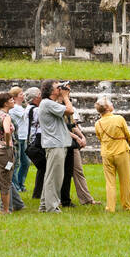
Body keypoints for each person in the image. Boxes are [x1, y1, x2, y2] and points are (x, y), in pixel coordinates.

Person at [37, 79, 74, 213]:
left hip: (56, 143)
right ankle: (52, 207)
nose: (60, 88)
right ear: (50, 91)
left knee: (50, 176)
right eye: (57, 87)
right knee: (55, 178)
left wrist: (65, 95)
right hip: (55, 144)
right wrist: (65, 96)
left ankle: (44, 206)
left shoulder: (49, 104)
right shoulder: (47, 103)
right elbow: (70, 110)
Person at [94, 96, 130, 212]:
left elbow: (99, 137)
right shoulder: (119, 118)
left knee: (110, 182)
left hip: (106, 153)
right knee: (125, 180)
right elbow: (128, 135)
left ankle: (110, 207)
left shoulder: (98, 123)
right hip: (121, 151)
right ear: (107, 108)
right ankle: (127, 206)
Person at [60, 92, 99, 207]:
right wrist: (78, 137)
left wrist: (82, 136)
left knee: (78, 171)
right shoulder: (57, 108)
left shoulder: (68, 107)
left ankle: (86, 199)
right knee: (59, 173)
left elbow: (73, 125)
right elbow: (61, 129)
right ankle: (57, 200)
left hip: (71, 144)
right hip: (61, 143)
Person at [8, 86, 32, 193]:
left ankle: (20, 184)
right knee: (16, 163)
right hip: (18, 138)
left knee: (25, 162)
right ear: (15, 96)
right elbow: (26, 115)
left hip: (24, 137)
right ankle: (15, 186)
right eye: (21, 94)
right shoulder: (15, 108)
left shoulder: (21, 107)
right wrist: (30, 105)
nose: (23, 96)